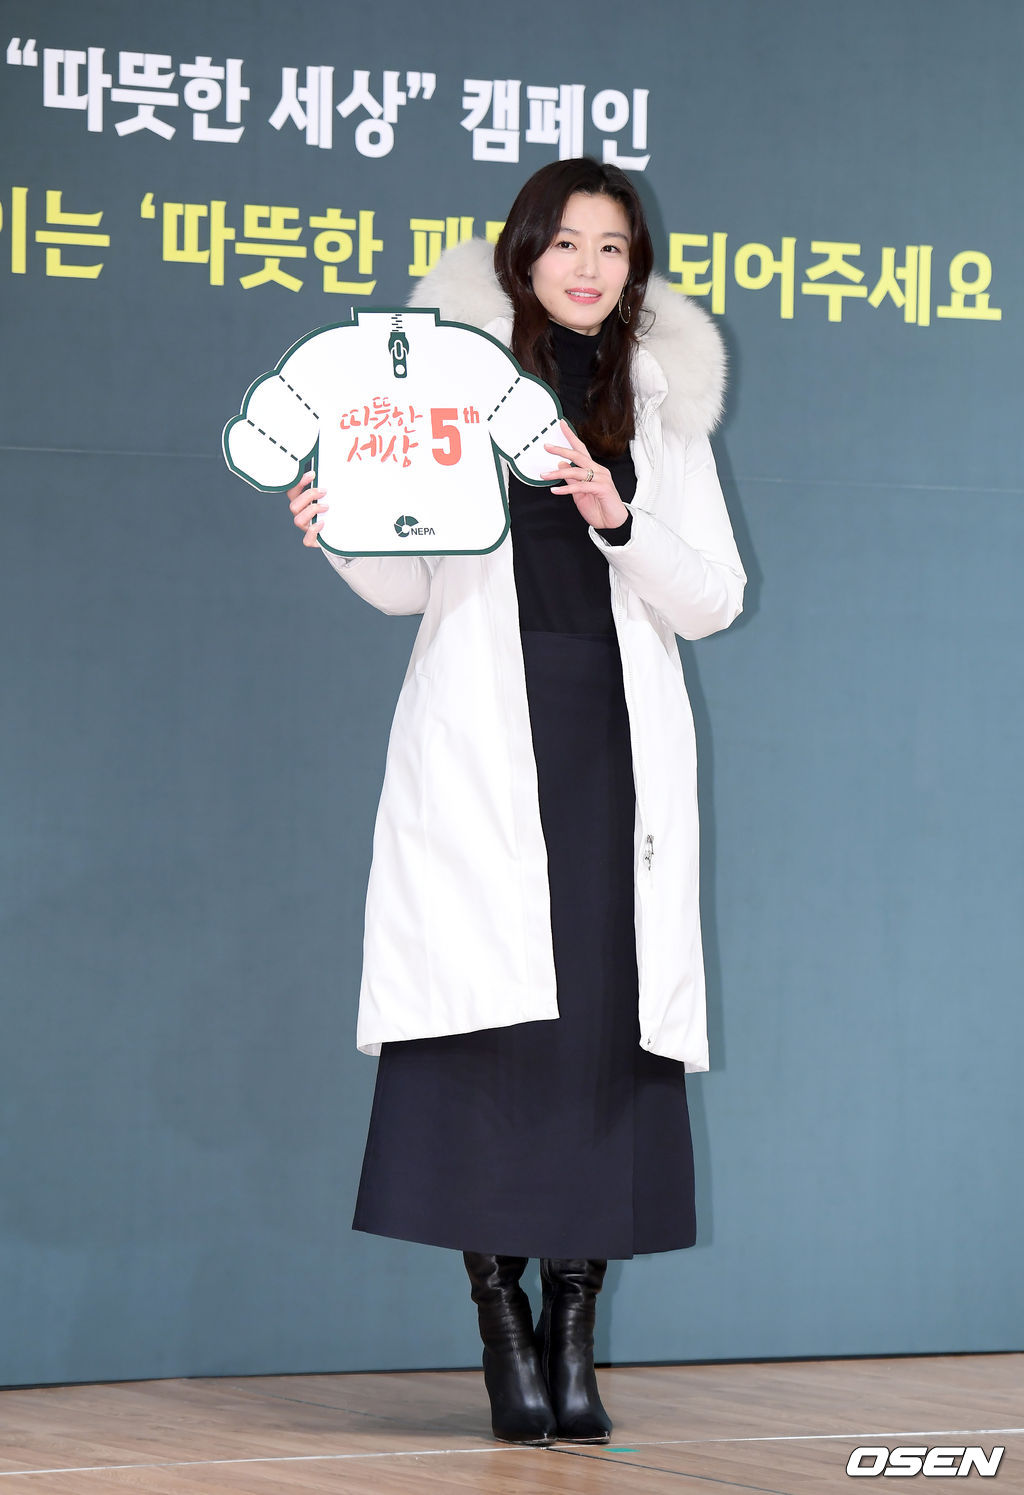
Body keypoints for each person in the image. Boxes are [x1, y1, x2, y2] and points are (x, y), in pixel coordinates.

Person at [286, 157, 746, 1447]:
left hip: (612, 747)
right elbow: (407, 585)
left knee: (603, 1037)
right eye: (567, 243)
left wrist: (619, 514)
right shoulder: (448, 388)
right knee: (489, 1041)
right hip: (486, 741)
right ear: (523, 254)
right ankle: (502, 1321)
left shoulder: (658, 402)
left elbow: (712, 597)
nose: (589, 268)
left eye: (614, 248)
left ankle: (574, 1331)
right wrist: (339, 529)